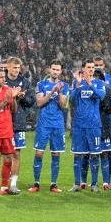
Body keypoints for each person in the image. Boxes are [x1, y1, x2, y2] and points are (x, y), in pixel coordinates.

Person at [28, 60, 69, 193]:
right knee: (39, 153)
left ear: (61, 71)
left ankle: (53, 184)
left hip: (57, 124)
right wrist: (51, 92)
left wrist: (60, 92)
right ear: (49, 69)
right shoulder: (41, 84)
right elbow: (39, 102)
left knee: (56, 153)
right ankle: (36, 183)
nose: (55, 72)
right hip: (44, 123)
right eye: (53, 69)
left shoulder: (65, 85)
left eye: (58, 70)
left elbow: (63, 105)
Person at [69, 59, 106, 192]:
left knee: (95, 155)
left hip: (94, 125)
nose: (91, 69)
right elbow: (72, 99)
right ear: (83, 69)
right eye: (88, 67)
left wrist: (90, 84)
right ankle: (77, 183)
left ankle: (94, 184)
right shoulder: (77, 83)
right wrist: (78, 85)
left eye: (93, 67)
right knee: (78, 155)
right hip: (79, 125)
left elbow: (101, 96)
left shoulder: (99, 83)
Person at [5, 56, 36, 194]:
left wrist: (23, 97)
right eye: (14, 67)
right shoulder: (1, 80)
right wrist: (10, 95)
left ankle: (13, 184)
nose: (17, 70)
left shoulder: (24, 82)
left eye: (18, 68)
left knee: (16, 154)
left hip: (18, 122)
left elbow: (31, 101)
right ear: (8, 67)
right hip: (3, 122)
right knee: (2, 154)